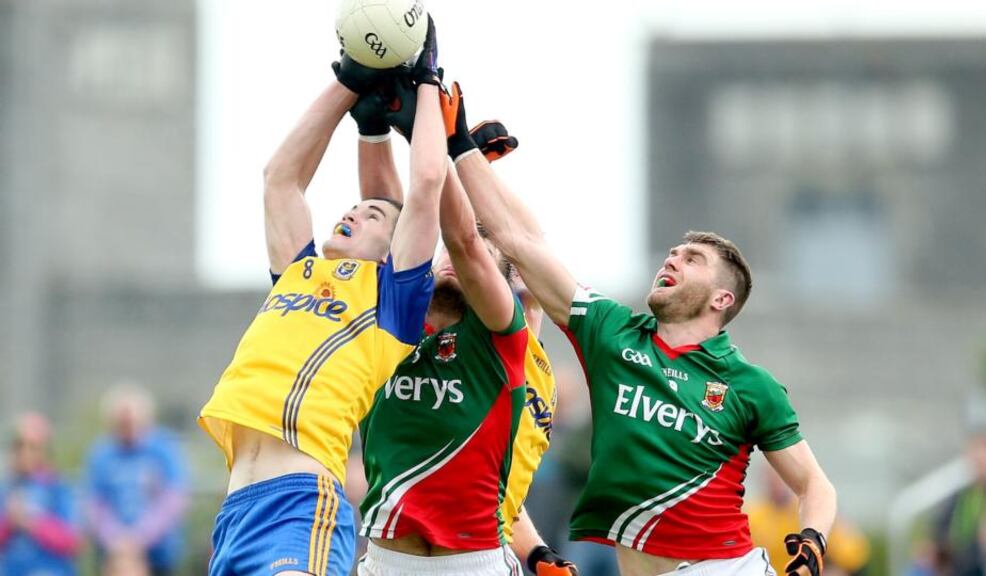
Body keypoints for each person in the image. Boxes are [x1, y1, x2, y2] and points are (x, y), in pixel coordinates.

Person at [445, 83, 837, 575]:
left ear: (722, 299)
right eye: (672, 253)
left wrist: (812, 545)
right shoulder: (611, 332)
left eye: (692, 259)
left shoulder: (750, 386)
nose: (672, 259)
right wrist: (459, 148)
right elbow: (518, 241)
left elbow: (816, 487)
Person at [196, 19, 446, 576]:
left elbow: (427, 183)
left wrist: (428, 81)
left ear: (394, 249)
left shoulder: (391, 300)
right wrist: (348, 81)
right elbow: (280, 178)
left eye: (374, 213)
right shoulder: (298, 271)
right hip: (235, 512)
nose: (354, 210)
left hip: (301, 505)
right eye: (358, 206)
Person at [348, 79, 573, 576]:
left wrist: (457, 155)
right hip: (388, 559)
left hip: (477, 557)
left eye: (472, 250)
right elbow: (386, 212)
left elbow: (513, 243)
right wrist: (373, 130)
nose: (449, 253)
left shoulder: (513, 334)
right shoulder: (393, 317)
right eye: (441, 248)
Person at [85, 385, 187, 576]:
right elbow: (95, 503)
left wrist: (139, 538)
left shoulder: (163, 450)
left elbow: (172, 500)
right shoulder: (101, 454)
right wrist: (116, 539)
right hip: (113, 557)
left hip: (158, 556)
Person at [747, 466, 869, 575]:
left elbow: (853, 558)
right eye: (769, 477)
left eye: (779, 477)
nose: (774, 483)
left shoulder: (810, 510)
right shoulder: (752, 515)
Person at [0, 412, 79, 575]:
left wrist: (33, 524)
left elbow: (71, 541)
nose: (25, 453)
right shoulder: (6, 488)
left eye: (33, 447)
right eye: (19, 445)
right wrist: (10, 522)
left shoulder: (57, 488)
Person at [933, 430, 986, 573]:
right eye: (978, 462)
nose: (982, 467)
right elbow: (941, 526)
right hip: (956, 561)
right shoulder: (961, 493)